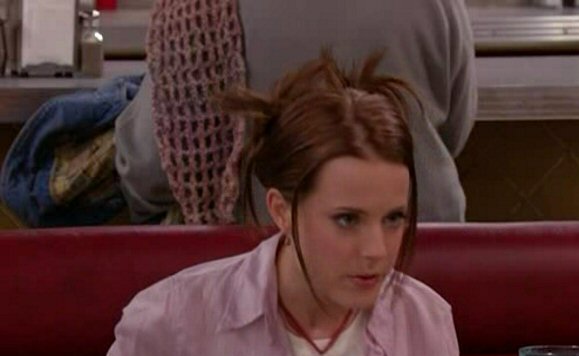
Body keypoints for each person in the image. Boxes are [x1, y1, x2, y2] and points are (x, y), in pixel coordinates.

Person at [45, 51, 455, 356]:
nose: (376, 250)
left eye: (393, 219)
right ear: (281, 211)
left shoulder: (426, 325)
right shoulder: (181, 316)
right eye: (347, 220)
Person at [116, 0, 476, 225]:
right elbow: (455, 132)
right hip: (422, 257)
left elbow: (148, 170)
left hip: (262, 277)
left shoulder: (196, 12)